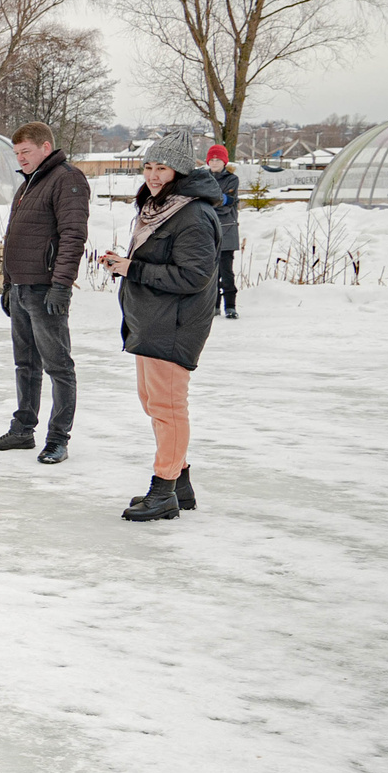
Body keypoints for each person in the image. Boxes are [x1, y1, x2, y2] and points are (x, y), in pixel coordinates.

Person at [106, 136, 223, 522]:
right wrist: (125, 264)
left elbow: (194, 275)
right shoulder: (160, 207)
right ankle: (181, 483)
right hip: (152, 320)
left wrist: (132, 269)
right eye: (149, 167)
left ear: (180, 171)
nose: (153, 176)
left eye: (162, 169)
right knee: (153, 403)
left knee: (168, 409)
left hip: (174, 324)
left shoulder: (192, 214)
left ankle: (164, 491)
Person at [0, 122, 89, 464]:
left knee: (58, 367)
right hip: (22, 288)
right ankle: (22, 430)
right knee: (25, 364)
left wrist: (61, 287)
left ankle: (58, 438)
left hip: (46, 290)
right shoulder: (30, 184)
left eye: (25, 152)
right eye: (16, 154)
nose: (20, 159)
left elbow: (73, 237)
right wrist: (8, 284)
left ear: (46, 148)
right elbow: (18, 236)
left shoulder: (67, 180)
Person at [204, 143, 241, 319]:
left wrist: (209, 201)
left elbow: (227, 203)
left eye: (218, 159)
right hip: (207, 231)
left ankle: (230, 305)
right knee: (211, 271)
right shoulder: (203, 178)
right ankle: (214, 305)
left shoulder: (231, 179)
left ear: (224, 161)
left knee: (226, 270)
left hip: (226, 231)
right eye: (212, 159)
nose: (215, 162)